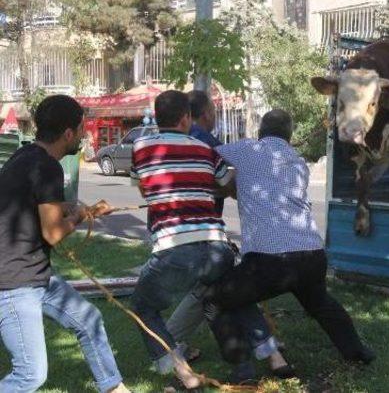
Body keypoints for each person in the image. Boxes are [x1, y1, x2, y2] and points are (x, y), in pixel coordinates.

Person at [129, 90, 282, 389]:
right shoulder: (205, 150)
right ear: (186, 117)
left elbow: (143, 189)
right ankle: (273, 354)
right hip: (217, 246)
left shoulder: (141, 147)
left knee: (143, 307)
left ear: (157, 118)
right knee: (232, 295)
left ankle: (182, 372)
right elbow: (226, 185)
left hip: (174, 248)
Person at [201, 109, 375, 366]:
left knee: (215, 299)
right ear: (290, 136)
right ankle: (358, 352)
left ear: (260, 132)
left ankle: (240, 364)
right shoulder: (298, 161)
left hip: (269, 262)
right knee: (321, 304)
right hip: (311, 255)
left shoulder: (249, 150)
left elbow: (209, 149)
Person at [0, 95, 129, 393]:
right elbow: (53, 233)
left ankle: (113, 388)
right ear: (68, 133)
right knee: (30, 375)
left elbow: (46, 205)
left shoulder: (26, 156)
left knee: (89, 320)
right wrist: (83, 216)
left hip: (35, 275)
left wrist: (84, 209)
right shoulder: (48, 168)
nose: (84, 135)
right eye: (82, 129)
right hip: (14, 283)